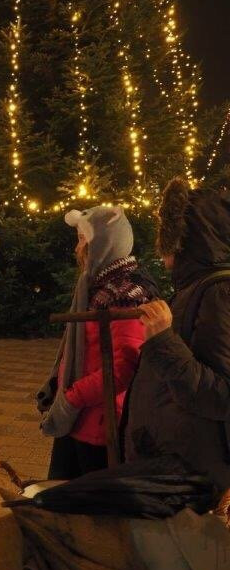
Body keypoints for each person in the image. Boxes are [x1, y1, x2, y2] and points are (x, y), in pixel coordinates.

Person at [124, 178, 230, 499]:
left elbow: (222, 395)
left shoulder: (218, 292)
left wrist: (162, 340)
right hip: (175, 463)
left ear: (187, 238)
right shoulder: (194, 287)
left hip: (192, 475)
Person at [38, 205, 158, 480]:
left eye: (82, 238)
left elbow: (124, 367)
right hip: (82, 419)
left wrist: (71, 398)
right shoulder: (96, 288)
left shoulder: (125, 293)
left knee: (87, 509)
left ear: (102, 243)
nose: (77, 247)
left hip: (100, 424)